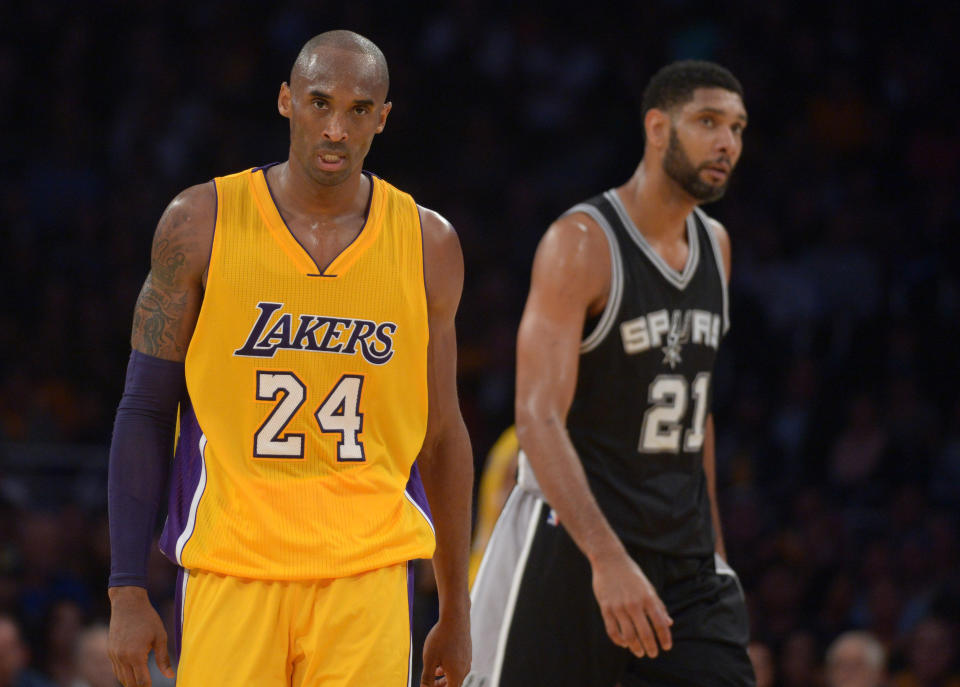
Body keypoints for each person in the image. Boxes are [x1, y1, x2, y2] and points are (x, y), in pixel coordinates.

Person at [106, 30, 473, 687]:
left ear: (383, 118)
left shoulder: (427, 243)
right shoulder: (199, 223)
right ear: (286, 100)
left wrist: (457, 606)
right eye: (320, 102)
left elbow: (441, 434)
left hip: (369, 576)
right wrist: (127, 586)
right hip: (233, 569)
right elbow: (145, 408)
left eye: (360, 109)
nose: (336, 128)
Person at [468, 60, 753, 686]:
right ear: (657, 127)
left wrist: (718, 555)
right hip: (573, 543)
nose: (726, 142)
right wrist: (607, 558)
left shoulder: (717, 247)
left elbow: (695, 413)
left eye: (736, 127)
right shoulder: (582, 242)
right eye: (707, 122)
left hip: (685, 558)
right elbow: (537, 416)